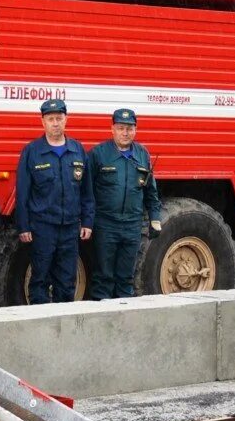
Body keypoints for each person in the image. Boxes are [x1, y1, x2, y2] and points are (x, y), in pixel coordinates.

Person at [13, 98, 93, 303]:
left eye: (59, 118)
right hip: (42, 228)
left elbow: (87, 191)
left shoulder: (77, 150)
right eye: (51, 119)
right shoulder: (32, 152)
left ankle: (62, 326)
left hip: (69, 229)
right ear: (43, 122)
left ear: (66, 120)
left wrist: (88, 221)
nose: (55, 123)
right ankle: (41, 326)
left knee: (67, 281)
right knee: (40, 279)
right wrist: (23, 227)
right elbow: (22, 193)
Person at [87, 107, 163, 299]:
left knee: (126, 279)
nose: (125, 133)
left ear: (135, 130)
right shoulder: (98, 154)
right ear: (112, 129)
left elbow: (151, 192)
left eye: (129, 128)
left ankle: (123, 323)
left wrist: (155, 218)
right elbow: (86, 192)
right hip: (106, 225)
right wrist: (87, 221)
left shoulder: (142, 155)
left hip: (132, 226)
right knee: (103, 278)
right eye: (121, 128)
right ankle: (101, 320)